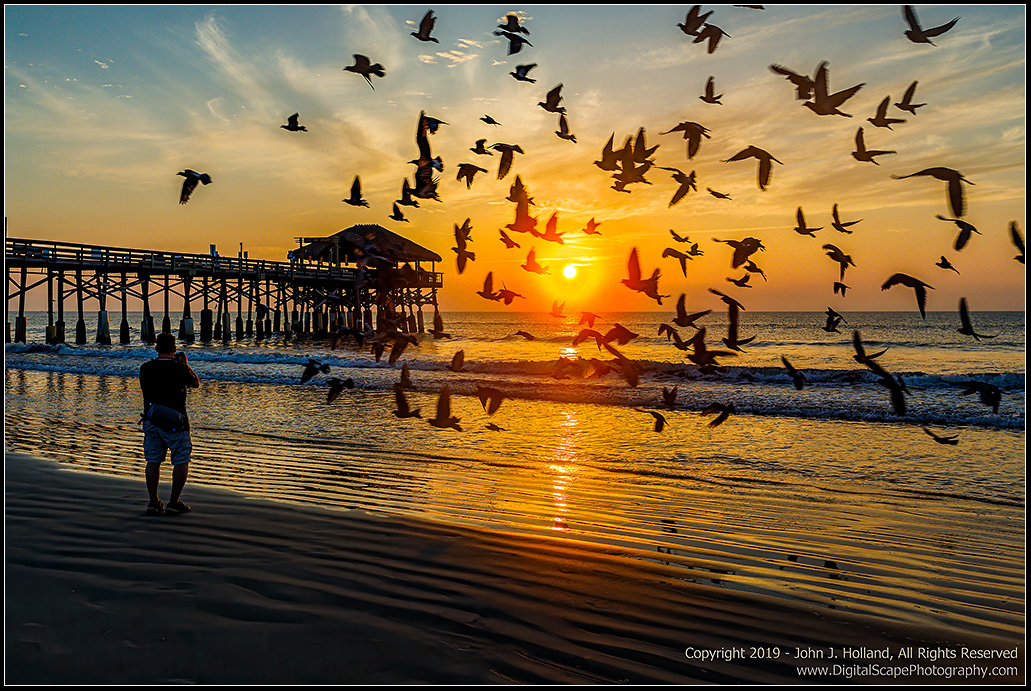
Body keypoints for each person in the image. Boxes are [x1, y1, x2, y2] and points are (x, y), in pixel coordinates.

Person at [139, 332, 200, 515]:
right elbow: (195, 383)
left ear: (156, 349)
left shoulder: (145, 368)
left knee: (153, 460)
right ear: (173, 349)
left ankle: (153, 502)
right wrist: (185, 366)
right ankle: (174, 501)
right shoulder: (178, 369)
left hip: (152, 419)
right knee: (181, 459)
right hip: (176, 421)